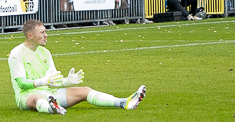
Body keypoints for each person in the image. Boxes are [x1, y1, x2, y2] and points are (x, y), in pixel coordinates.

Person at [8, 20, 146, 115]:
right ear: (30, 36)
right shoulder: (16, 53)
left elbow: (54, 80)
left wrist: (67, 82)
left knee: (85, 90)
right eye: (42, 32)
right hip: (25, 96)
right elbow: (21, 83)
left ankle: (123, 102)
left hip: (50, 93)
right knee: (38, 98)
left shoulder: (45, 52)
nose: (46, 35)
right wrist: (42, 82)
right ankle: (52, 108)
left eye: (45, 31)